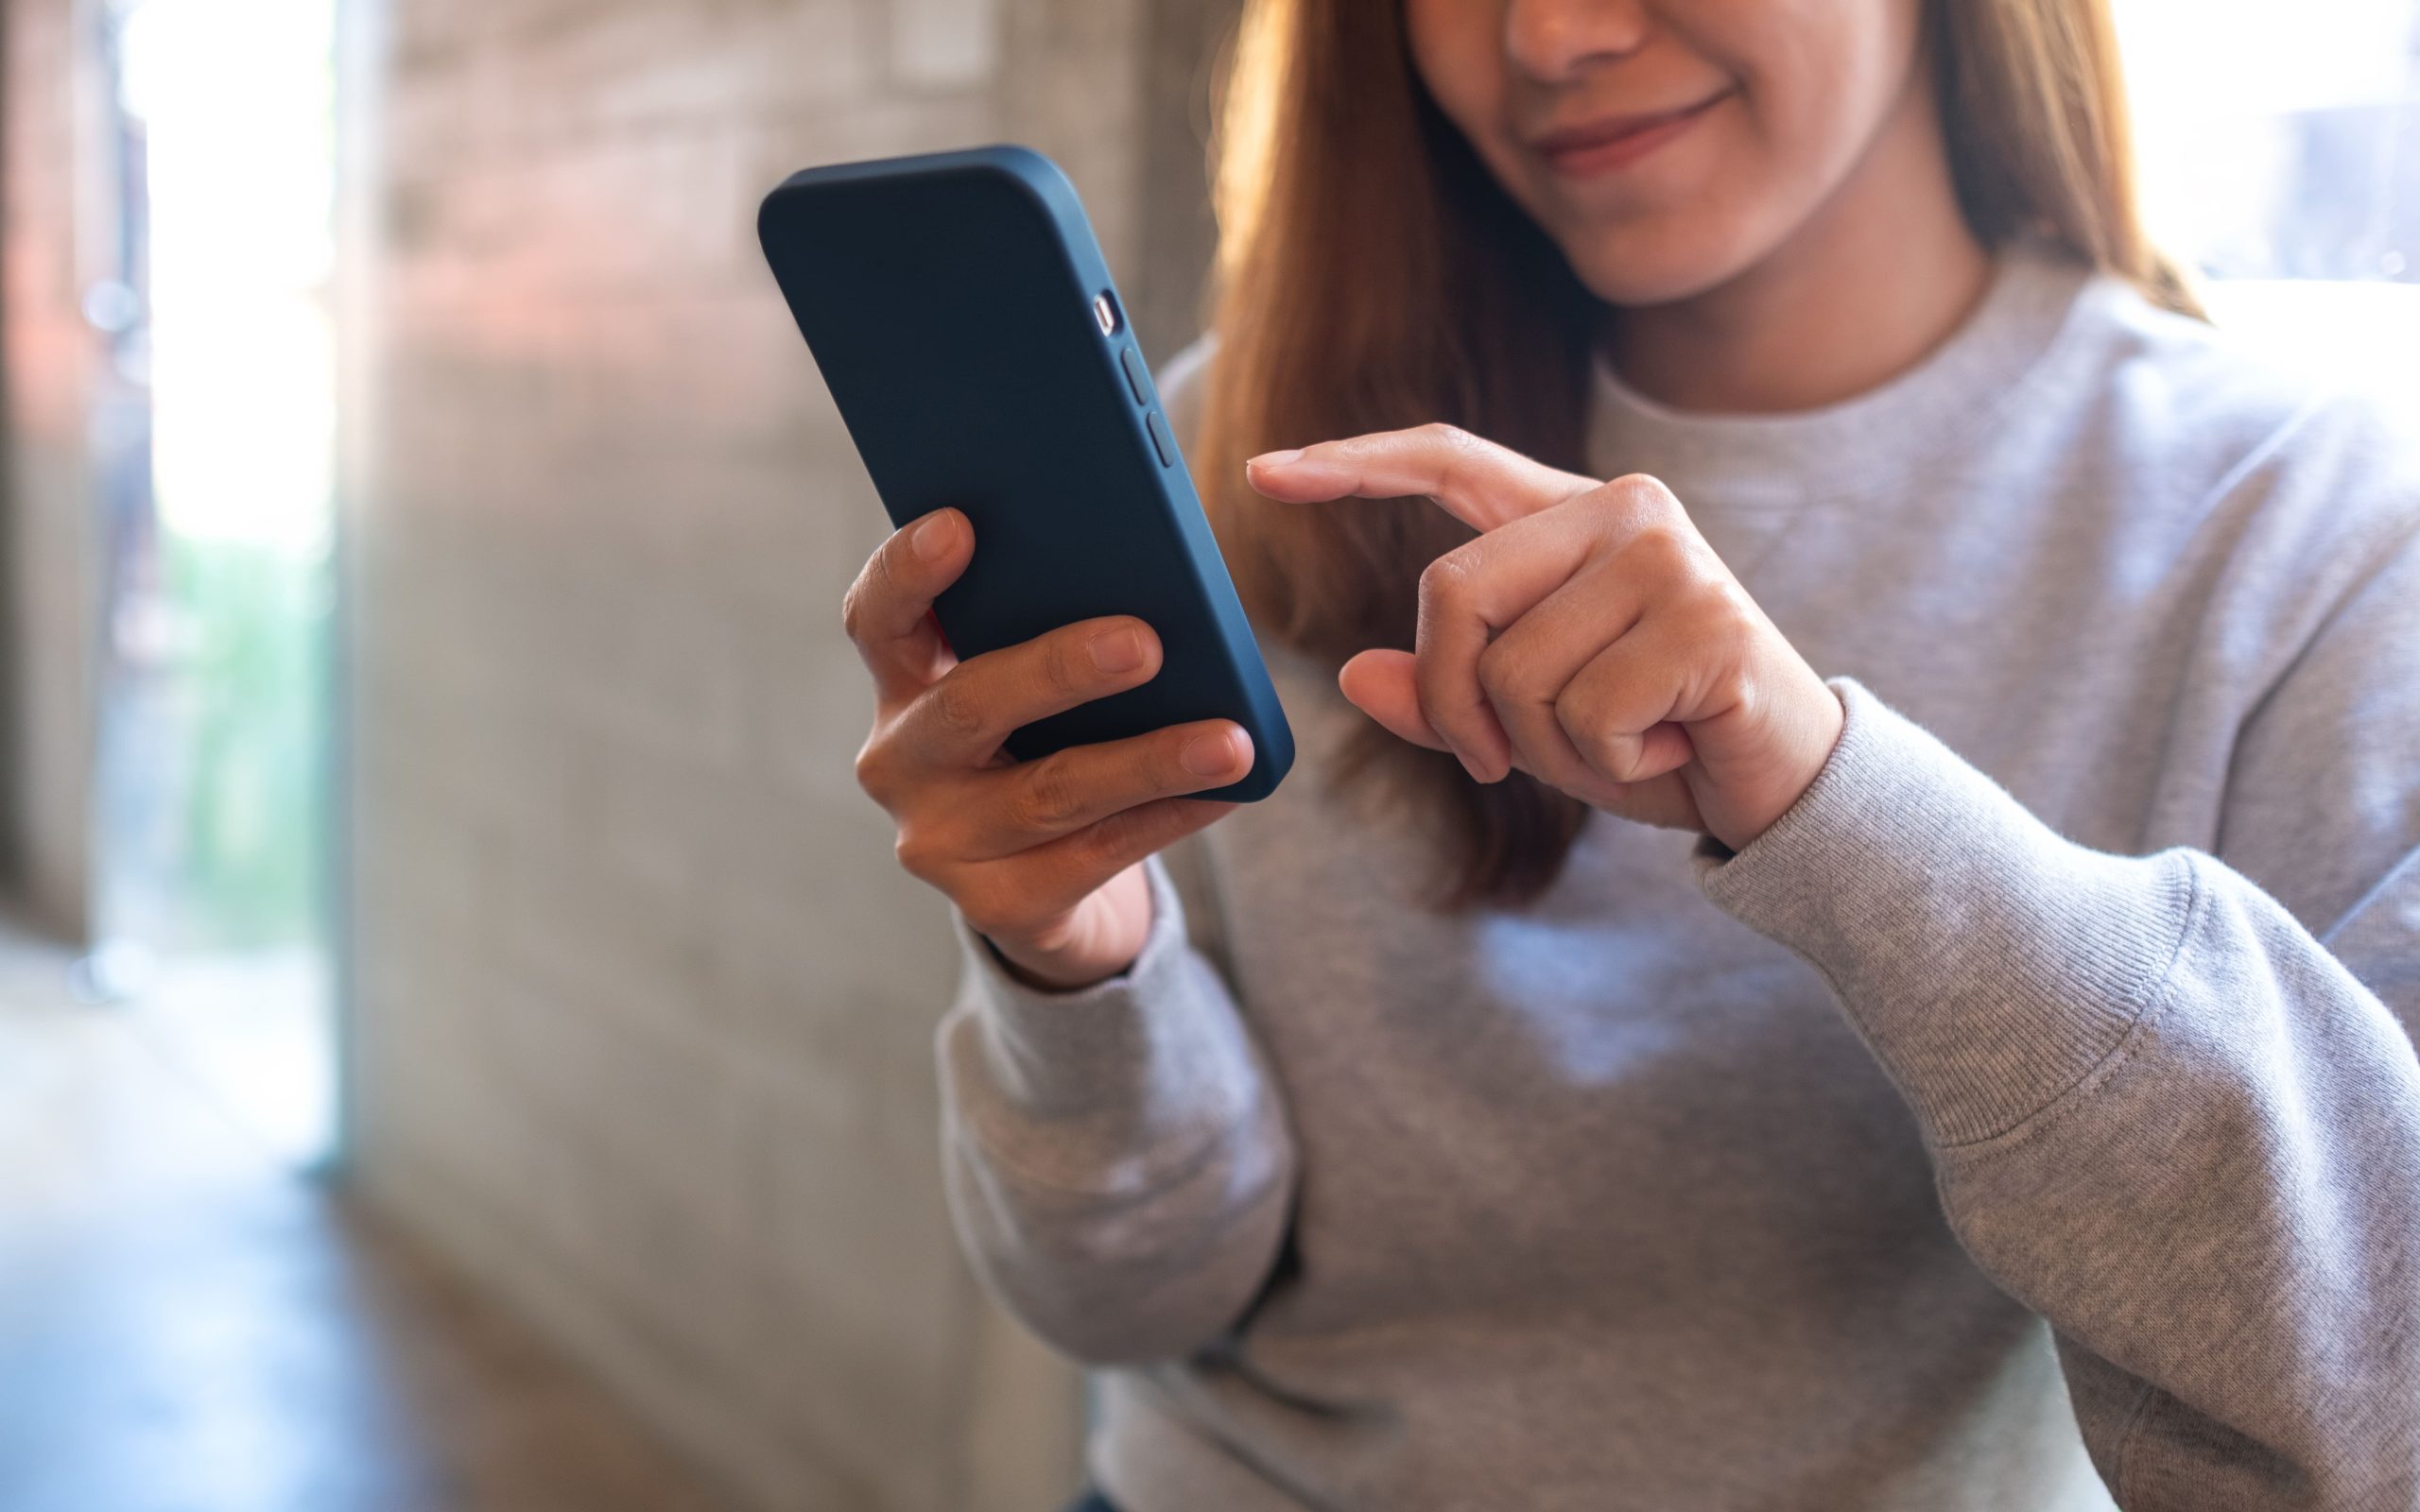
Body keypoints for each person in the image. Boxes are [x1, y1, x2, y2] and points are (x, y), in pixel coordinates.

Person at [839, 0, 2420, 1506]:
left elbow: (2371, 1421)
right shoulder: (1265, 454)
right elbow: (1126, 1297)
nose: (1550, 38)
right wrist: (1078, 971)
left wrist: (1836, 806)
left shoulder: (2294, 529)